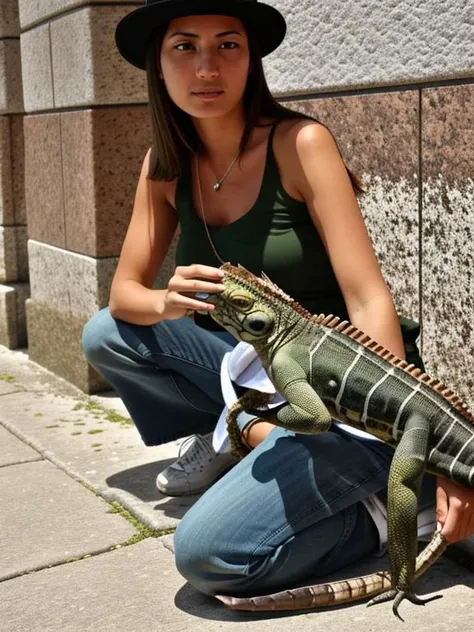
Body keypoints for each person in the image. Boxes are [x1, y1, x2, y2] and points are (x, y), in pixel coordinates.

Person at [82, 0, 474, 602]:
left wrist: (401, 426)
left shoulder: (302, 142)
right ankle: (240, 433)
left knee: (210, 557)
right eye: (184, 47)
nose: (207, 68)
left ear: (252, 59)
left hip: (342, 383)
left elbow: (369, 297)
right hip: (256, 364)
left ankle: (386, 508)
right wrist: (167, 301)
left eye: (228, 46)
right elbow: (126, 294)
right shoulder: (163, 165)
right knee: (109, 333)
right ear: (158, 67)